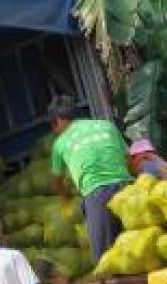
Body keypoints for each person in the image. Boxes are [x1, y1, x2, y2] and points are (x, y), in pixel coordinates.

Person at [48, 95, 131, 262]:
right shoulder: (107, 126)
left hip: (98, 195)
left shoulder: (60, 143)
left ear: (56, 121)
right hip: (129, 188)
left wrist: (65, 201)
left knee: (105, 259)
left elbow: (56, 181)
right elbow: (128, 159)